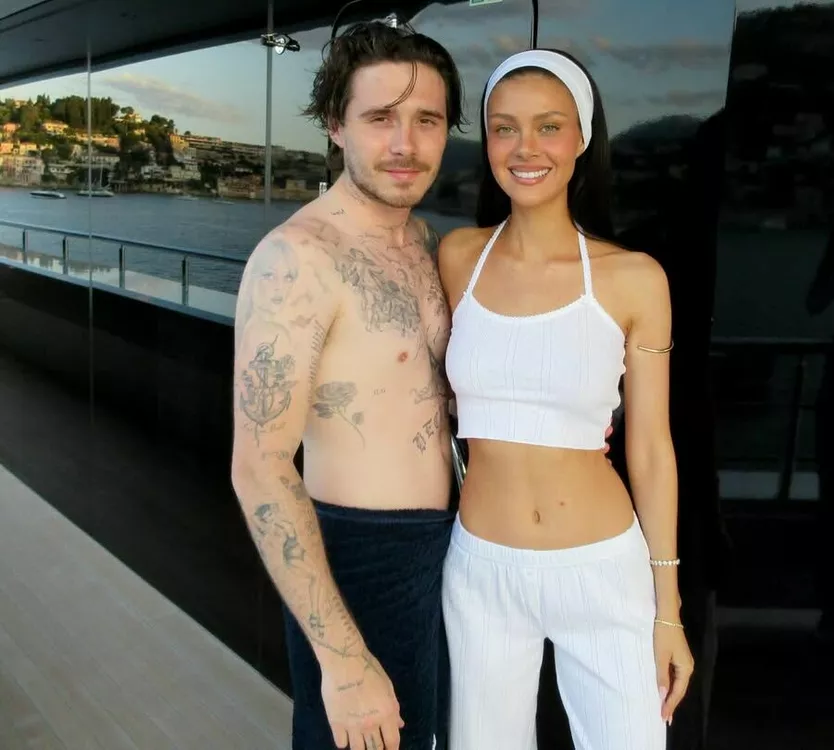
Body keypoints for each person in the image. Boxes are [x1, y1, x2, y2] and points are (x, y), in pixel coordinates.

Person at [437, 48, 696, 749]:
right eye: (504, 127)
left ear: (581, 138)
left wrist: (668, 609)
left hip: (600, 568)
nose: (525, 148)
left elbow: (651, 448)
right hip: (480, 571)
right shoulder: (457, 258)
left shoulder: (635, 278)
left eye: (549, 126)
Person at [229, 20, 464, 750]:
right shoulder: (297, 259)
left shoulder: (424, 243)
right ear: (336, 126)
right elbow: (260, 467)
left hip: (444, 547)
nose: (405, 143)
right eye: (380, 118)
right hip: (359, 556)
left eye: (427, 120)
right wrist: (342, 659)